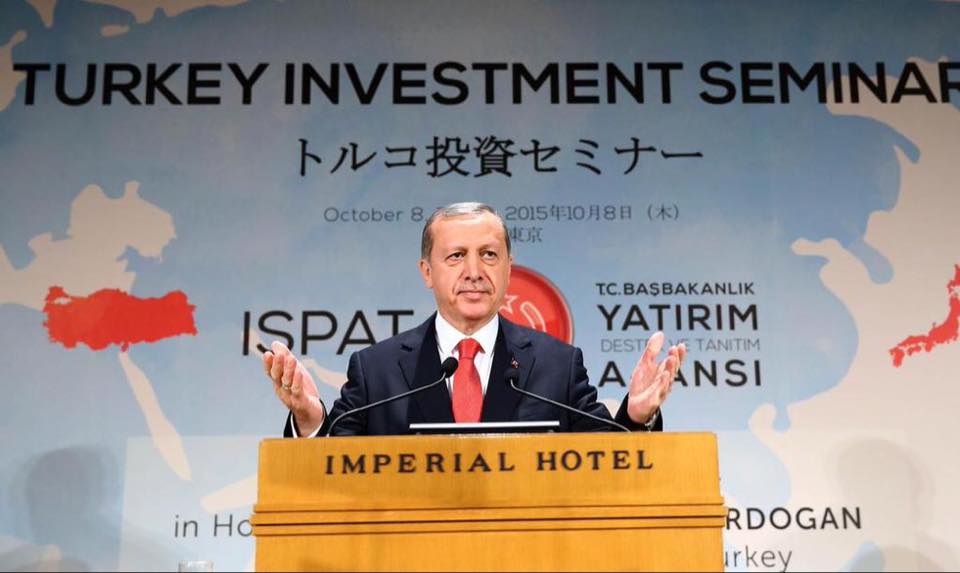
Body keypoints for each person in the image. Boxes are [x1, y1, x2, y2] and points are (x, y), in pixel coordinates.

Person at [263, 202, 684, 436]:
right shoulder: (377, 369)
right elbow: (334, 466)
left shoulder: (558, 365)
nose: (474, 271)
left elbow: (605, 462)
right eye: (456, 256)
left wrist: (635, 416)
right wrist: (310, 420)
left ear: (508, 269)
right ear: (427, 272)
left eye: (488, 255)